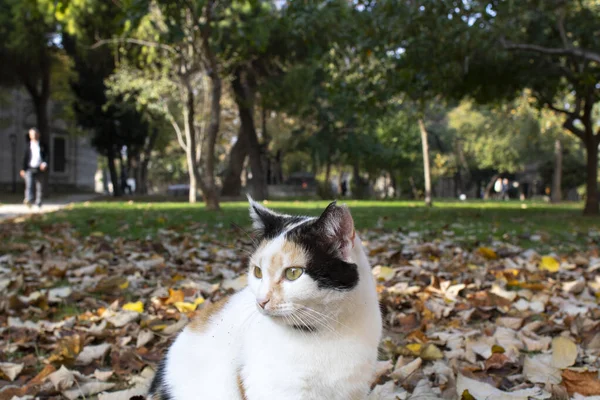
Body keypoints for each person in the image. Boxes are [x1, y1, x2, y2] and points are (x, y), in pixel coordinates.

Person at [19, 128, 48, 208]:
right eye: (32, 134)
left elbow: (46, 156)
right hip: (29, 168)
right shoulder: (27, 145)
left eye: (35, 134)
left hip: (39, 168)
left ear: (38, 135)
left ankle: (39, 202)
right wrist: (23, 169)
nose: (34, 136)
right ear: (30, 136)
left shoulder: (43, 145)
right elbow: (24, 158)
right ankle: (29, 200)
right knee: (29, 185)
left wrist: (44, 164)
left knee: (39, 186)